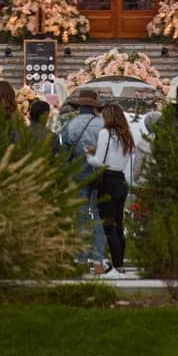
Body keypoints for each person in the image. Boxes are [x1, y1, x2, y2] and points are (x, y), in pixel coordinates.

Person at [87, 101, 136, 278]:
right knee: (119, 224)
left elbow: (100, 162)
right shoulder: (126, 135)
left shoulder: (105, 133)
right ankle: (120, 263)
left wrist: (88, 156)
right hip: (121, 180)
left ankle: (116, 266)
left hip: (107, 180)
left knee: (108, 225)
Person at [60, 88, 106, 272]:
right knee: (98, 215)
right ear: (94, 106)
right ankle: (98, 258)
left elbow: (66, 153)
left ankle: (80, 257)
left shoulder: (70, 125)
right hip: (99, 174)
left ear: (79, 106)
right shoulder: (102, 124)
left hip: (78, 174)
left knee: (80, 216)